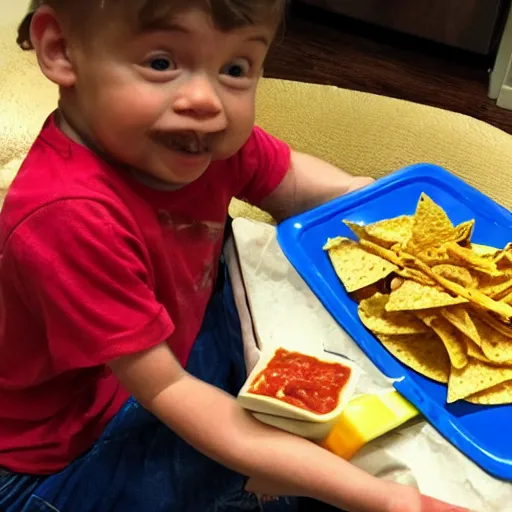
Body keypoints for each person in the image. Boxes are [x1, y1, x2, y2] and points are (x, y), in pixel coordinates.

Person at [0, 1, 468, 511]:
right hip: (67, 450)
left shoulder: (203, 144)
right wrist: (383, 498)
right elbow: (173, 394)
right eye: (161, 62)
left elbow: (297, 184)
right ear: (60, 49)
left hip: (168, 348)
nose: (206, 100)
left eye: (235, 69)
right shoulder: (66, 219)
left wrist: (414, 230)